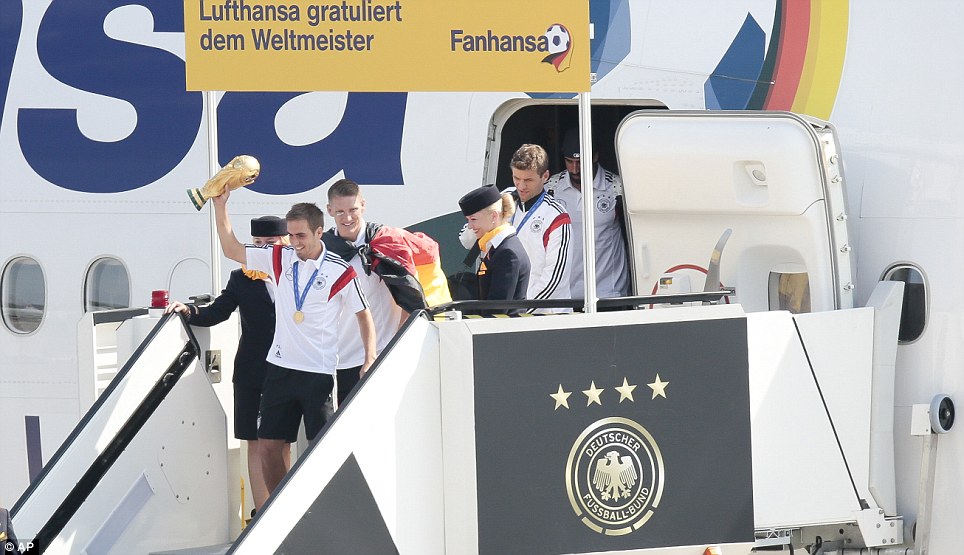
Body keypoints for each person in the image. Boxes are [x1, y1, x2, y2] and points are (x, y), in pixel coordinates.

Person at [211, 191, 376, 497]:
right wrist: (221, 206)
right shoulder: (279, 258)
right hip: (280, 369)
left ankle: (325, 509)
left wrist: (369, 357)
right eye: (290, 235)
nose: (294, 242)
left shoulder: (339, 270)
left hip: (319, 372)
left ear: (318, 231)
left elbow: (363, 315)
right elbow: (231, 249)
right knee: (269, 448)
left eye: (301, 235)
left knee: (323, 448)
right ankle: (279, 509)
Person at [166, 215, 291, 512]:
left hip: (286, 371)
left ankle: (283, 506)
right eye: (257, 244)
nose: (262, 250)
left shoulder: (296, 274)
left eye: (270, 244)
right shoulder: (241, 278)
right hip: (251, 370)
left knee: (281, 442)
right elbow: (217, 312)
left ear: (286, 243)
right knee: (255, 441)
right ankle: (262, 511)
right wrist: (190, 311)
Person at [322, 179, 404, 408]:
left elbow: (410, 296)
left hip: (379, 356)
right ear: (329, 210)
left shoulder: (384, 240)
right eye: (340, 212)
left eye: (353, 210)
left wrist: (396, 344)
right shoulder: (322, 249)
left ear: (363, 206)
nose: (347, 218)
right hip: (337, 361)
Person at [547, 129, 630, 299]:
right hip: (564, 294)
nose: (575, 169)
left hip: (608, 293)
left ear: (595, 157)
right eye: (569, 161)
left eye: (580, 161)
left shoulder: (617, 188)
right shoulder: (551, 188)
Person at [507, 144, 572, 313]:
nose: (521, 186)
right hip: (512, 313)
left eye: (528, 180)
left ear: (545, 176)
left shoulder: (556, 216)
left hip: (548, 317)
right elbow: (468, 240)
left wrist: (522, 309)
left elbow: (555, 277)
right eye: (516, 178)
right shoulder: (506, 204)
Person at [458, 184, 530, 315]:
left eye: (473, 219)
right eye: (468, 220)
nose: (470, 226)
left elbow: (497, 310)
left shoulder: (507, 253)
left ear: (494, 216)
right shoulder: (499, 247)